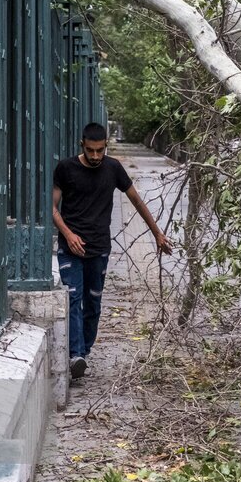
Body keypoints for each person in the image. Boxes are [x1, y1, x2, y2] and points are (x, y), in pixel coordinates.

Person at [52, 122, 172, 379]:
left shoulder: (113, 168)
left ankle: (83, 351)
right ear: (81, 145)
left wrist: (157, 233)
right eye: (90, 150)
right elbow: (51, 207)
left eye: (100, 151)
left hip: (99, 249)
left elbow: (136, 200)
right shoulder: (66, 168)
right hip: (70, 248)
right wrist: (68, 234)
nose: (95, 156)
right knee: (73, 298)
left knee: (93, 302)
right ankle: (76, 356)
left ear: (105, 146)